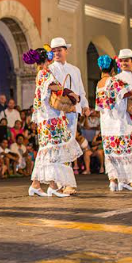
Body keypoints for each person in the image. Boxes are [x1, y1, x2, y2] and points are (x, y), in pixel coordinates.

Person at [24, 47, 78, 198]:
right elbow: (54, 87)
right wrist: (70, 93)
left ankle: (38, 185)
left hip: (49, 117)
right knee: (52, 150)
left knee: (49, 150)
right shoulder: (44, 73)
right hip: (50, 118)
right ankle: (51, 186)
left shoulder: (41, 73)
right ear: (47, 58)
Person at [95, 55, 132, 192]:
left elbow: (99, 107)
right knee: (127, 151)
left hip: (106, 124)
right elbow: (128, 93)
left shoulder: (99, 84)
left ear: (101, 68)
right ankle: (126, 181)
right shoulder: (115, 81)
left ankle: (113, 181)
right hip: (120, 122)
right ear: (113, 68)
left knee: (112, 153)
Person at [49, 37, 89, 191]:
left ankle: (65, 182)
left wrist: (85, 106)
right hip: (57, 113)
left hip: (73, 112)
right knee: (59, 146)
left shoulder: (75, 70)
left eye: (60, 50)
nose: (57, 53)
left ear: (66, 51)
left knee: (68, 145)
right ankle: (60, 183)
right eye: (54, 50)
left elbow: (81, 91)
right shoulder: (50, 69)